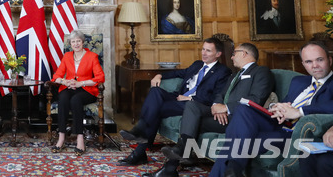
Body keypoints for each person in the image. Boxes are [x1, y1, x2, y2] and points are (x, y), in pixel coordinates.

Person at [146, 43, 273, 177]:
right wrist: (216, 105)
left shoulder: (261, 72)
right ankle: (181, 153)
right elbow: (220, 95)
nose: (231, 57)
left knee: (191, 124)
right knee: (192, 106)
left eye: (234, 53)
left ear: (244, 54)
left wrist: (226, 108)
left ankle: (170, 168)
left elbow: (256, 99)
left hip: (238, 119)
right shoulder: (234, 75)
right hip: (220, 114)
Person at [209, 41, 333, 177]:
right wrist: (276, 107)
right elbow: (285, 102)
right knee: (243, 109)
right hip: (278, 123)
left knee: (235, 142)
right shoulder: (299, 81)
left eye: (319, 60)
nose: (315, 66)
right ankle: (234, 169)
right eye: (309, 62)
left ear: (330, 59)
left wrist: (300, 111)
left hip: (295, 132)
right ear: (303, 64)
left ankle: (234, 168)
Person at [118, 38, 231, 166]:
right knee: (155, 91)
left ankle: (140, 147)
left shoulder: (223, 72)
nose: (204, 53)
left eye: (208, 51)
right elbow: (178, 72)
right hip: (178, 98)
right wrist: (159, 75)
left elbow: (215, 98)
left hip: (193, 105)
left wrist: (190, 98)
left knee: (155, 109)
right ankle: (140, 135)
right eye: (203, 49)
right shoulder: (197, 64)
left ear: (218, 54)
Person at [49, 30, 105, 155]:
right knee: (63, 98)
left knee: (76, 100)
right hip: (69, 87)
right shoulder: (67, 56)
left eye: (78, 41)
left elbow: (100, 78)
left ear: (83, 42)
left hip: (87, 90)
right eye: (73, 41)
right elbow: (56, 76)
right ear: (70, 44)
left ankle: (80, 138)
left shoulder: (92, 57)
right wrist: (65, 82)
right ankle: (61, 137)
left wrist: (81, 83)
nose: (76, 44)